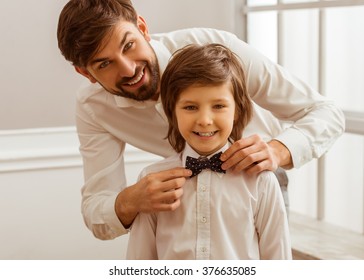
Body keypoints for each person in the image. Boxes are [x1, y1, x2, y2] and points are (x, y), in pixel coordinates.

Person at [57, 0, 345, 240]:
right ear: (86, 73)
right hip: (178, 198)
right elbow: (96, 210)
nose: (129, 69)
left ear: (142, 28)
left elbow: (326, 112)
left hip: (258, 181)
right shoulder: (92, 107)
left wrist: (277, 151)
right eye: (104, 63)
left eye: (128, 45)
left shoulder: (217, 48)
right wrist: (131, 200)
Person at [126, 44, 292, 259]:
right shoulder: (152, 181)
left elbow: (278, 259)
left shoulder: (261, 181)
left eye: (219, 106)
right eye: (190, 107)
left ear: (237, 110)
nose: (204, 120)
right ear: (172, 111)